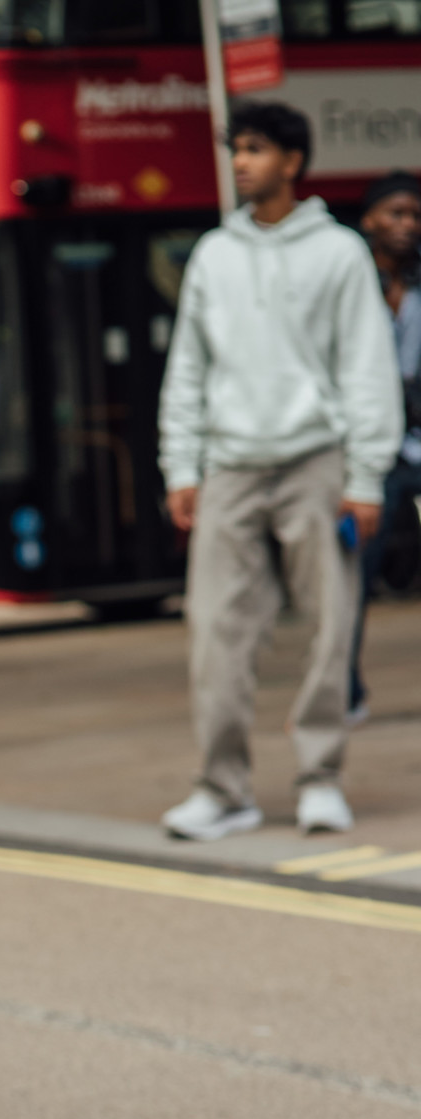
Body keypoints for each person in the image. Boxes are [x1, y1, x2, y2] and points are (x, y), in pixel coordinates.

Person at [158, 101, 402, 840]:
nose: (240, 163)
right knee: (215, 632)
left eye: (256, 150)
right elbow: (188, 370)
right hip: (229, 465)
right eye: (238, 150)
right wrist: (181, 466)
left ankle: (321, 778)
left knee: (329, 628)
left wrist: (365, 476)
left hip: (315, 463)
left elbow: (367, 368)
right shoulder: (213, 255)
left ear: (293, 162)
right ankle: (223, 788)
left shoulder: (338, 253)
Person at [347, 171, 421, 722]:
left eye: (415, 215)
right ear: (370, 218)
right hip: (372, 451)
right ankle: (343, 689)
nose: (407, 224)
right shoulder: (351, 282)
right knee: (354, 574)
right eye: (395, 213)